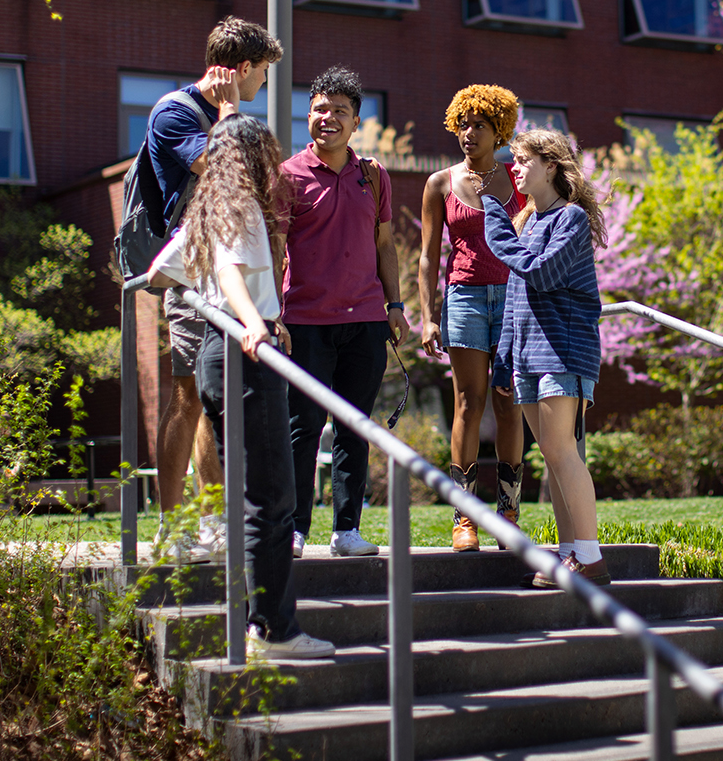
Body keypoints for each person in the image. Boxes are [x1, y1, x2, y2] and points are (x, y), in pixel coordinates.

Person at [147, 114, 333, 658]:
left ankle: (257, 623)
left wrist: (236, 311)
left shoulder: (205, 206)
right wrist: (255, 321)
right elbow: (230, 271)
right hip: (245, 354)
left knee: (251, 494)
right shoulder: (240, 205)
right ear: (256, 156)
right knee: (272, 496)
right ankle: (273, 630)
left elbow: (161, 271)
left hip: (213, 351)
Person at [146, 17, 283, 560]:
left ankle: (214, 521)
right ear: (243, 69)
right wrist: (229, 116)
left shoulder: (228, 114)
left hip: (227, 265)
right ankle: (171, 524)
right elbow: (217, 166)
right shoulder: (175, 112)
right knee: (188, 393)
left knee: (216, 396)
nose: (263, 86)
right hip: (192, 272)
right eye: (263, 75)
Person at [277, 66, 410, 558]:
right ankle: (294, 528)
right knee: (303, 427)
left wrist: (394, 305)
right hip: (306, 322)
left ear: (356, 122)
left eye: (339, 111)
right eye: (319, 109)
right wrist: (271, 312)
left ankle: (346, 530)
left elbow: (384, 243)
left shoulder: (372, 175)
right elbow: (274, 249)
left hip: (366, 321)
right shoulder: (287, 176)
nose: (327, 118)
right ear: (307, 115)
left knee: (355, 426)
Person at [483, 129, 610, 587]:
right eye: (512, 161)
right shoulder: (527, 224)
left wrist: (494, 219)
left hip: (564, 351)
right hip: (528, 356)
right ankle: (571, 552)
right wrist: (504, 360)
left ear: (551, 165)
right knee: (554, 458)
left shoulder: (570, 219)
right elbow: (516, 301)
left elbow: (541, 273)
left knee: (562, 450)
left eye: (522, 160)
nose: (513, 168)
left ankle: (591, 559)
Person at [419, 85, 528, 552]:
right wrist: (427, 317)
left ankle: (508, 512)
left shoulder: (518, 180)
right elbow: (427, 257)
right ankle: (465, 519)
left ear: (499, 130)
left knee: (509, 403)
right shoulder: (439, 183)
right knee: (469, 403)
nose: (469, 132)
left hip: (511, 299)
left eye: (480, 125)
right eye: (463, 123)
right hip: (462, 298)